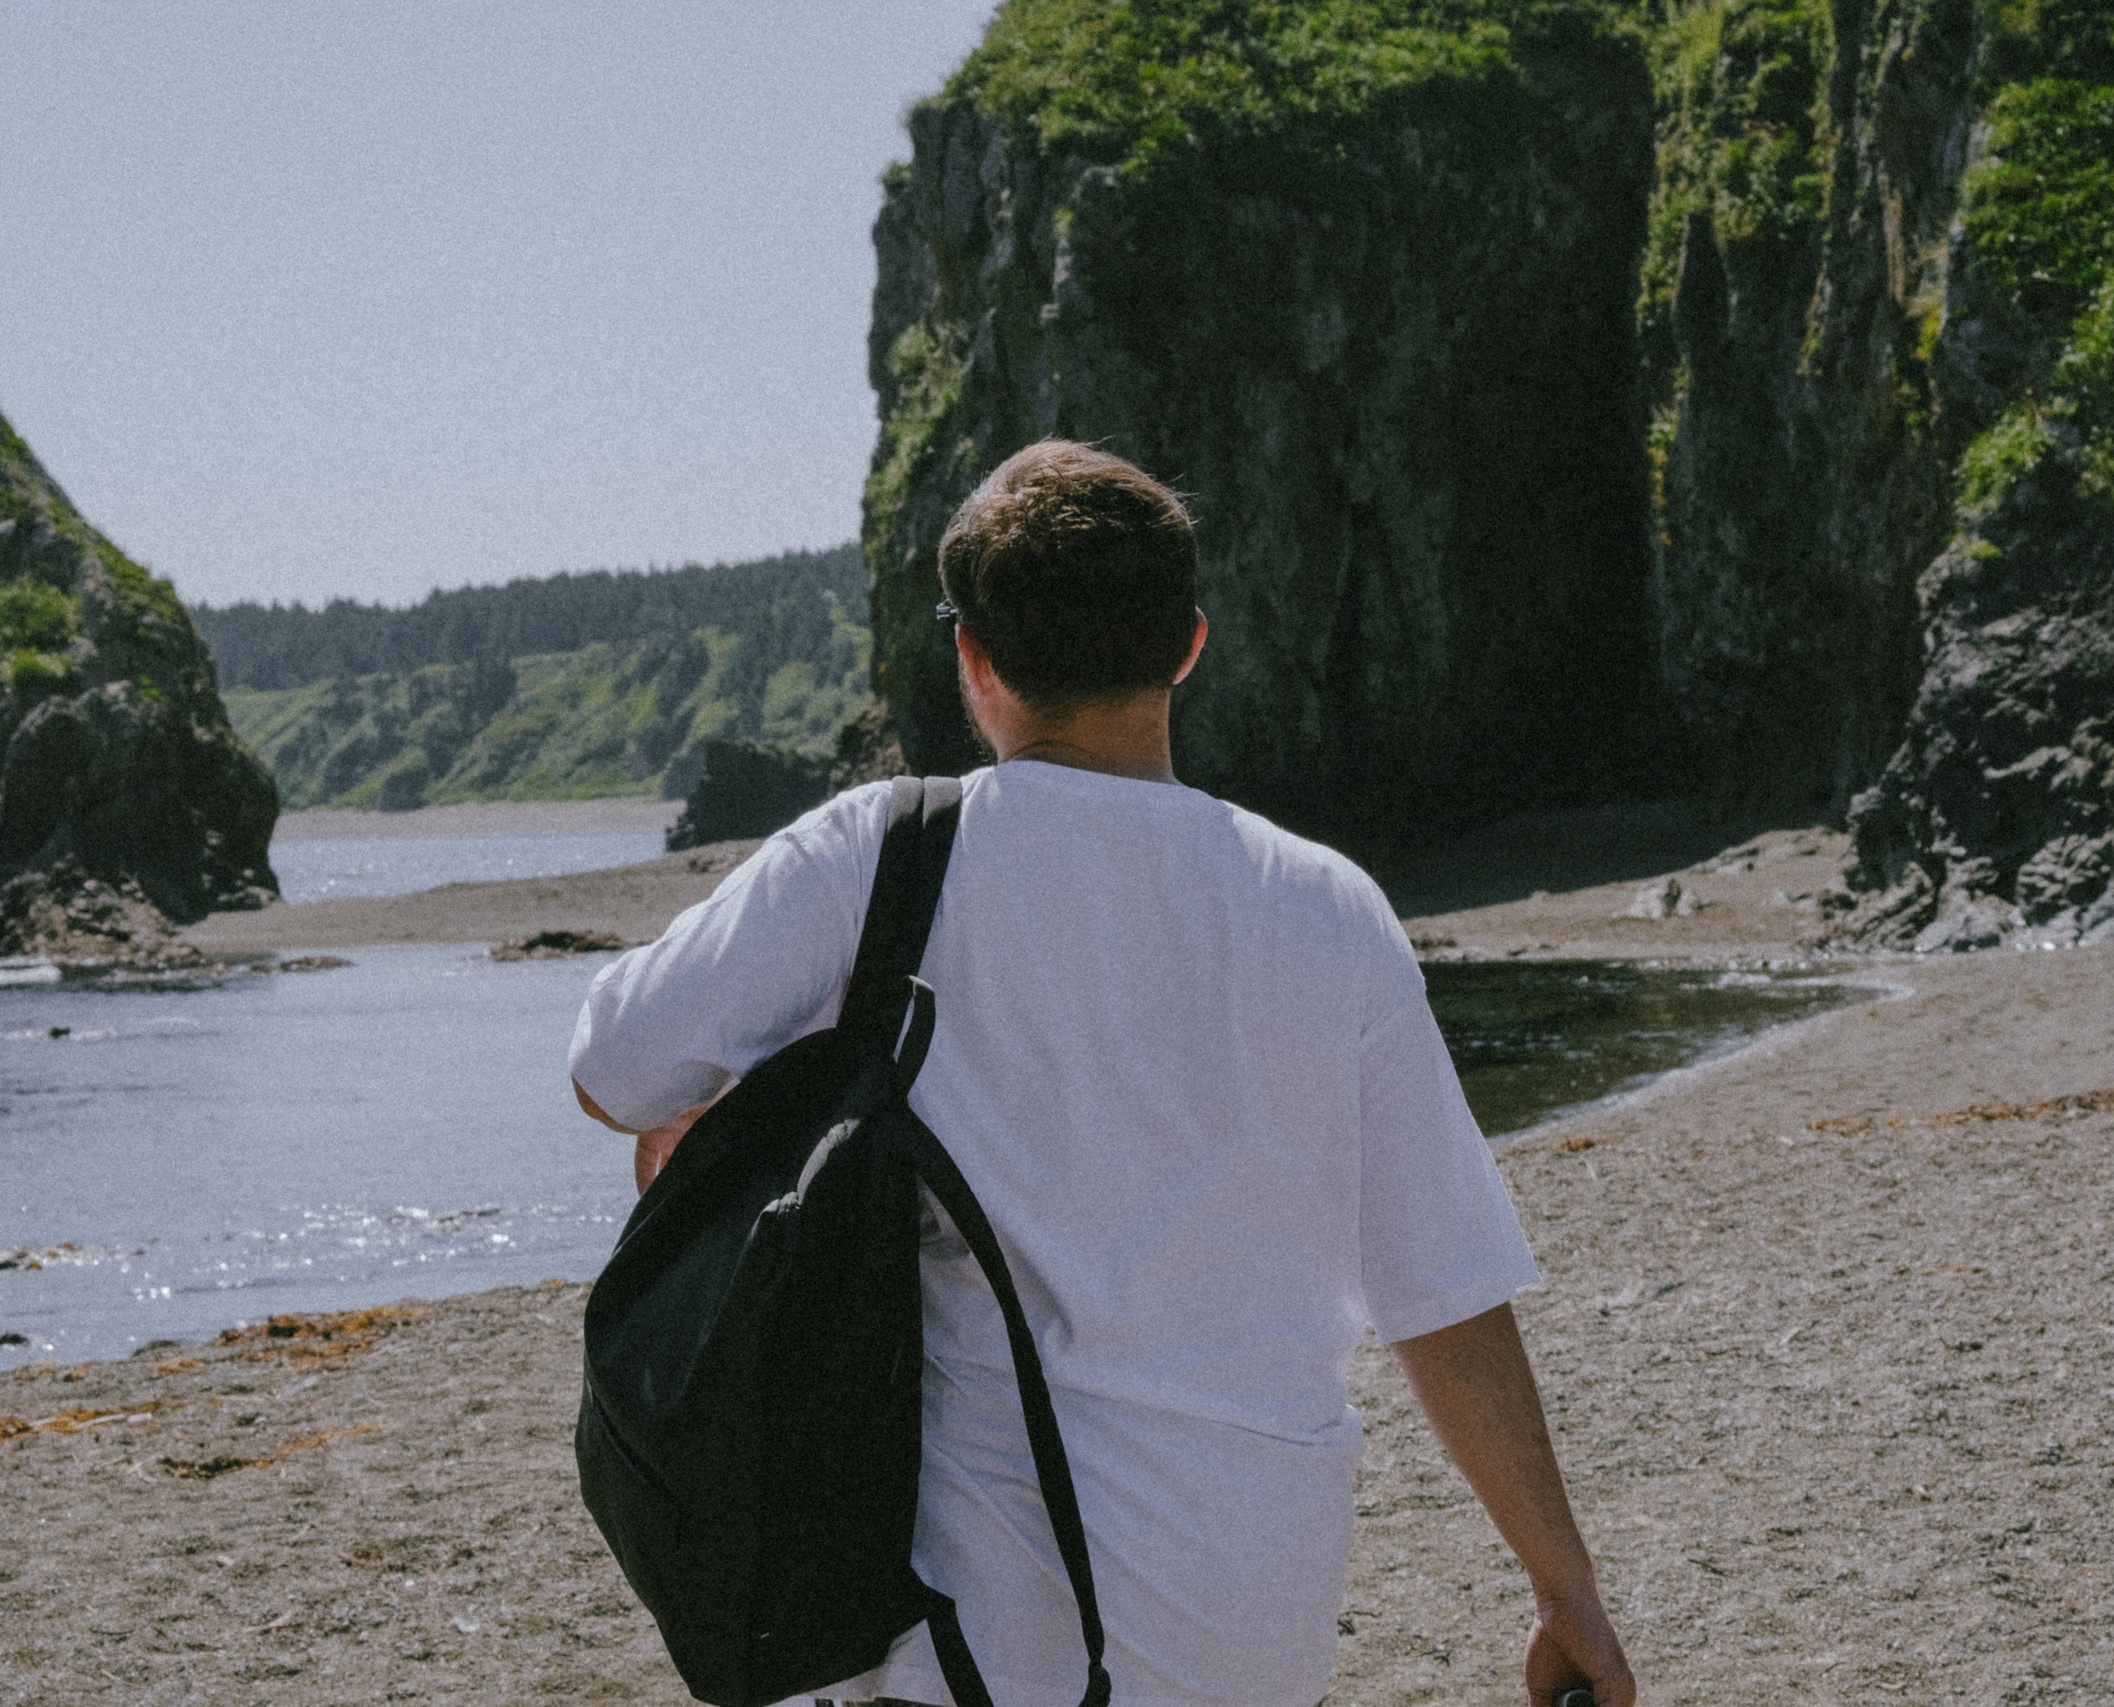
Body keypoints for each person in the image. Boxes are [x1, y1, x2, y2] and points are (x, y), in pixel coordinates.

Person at [569, 440, 1635, 1707]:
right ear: (1188, 644)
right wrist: (1564, 1588)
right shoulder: (1327, 906)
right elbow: (1444, 1296)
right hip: (1254, 1618)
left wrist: (748, 1105)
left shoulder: (885, 855)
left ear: (973, 659)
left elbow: (613, 1072)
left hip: (974, 1636)